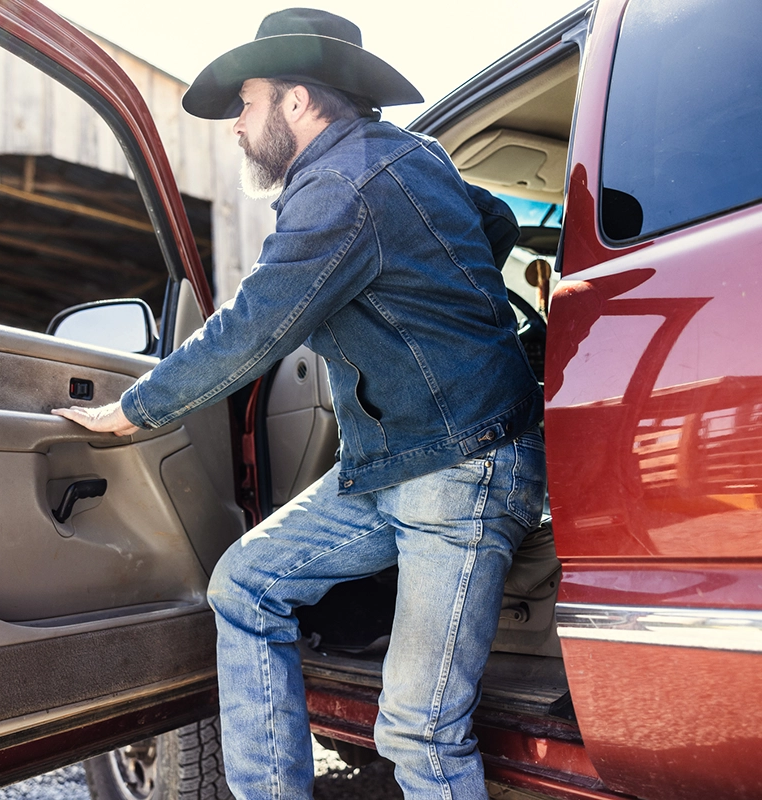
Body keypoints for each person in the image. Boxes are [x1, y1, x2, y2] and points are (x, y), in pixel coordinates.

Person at [53, 9, 545, 799]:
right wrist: (441, 301)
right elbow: (493, 220)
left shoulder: (340, 186)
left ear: (297, 101)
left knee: (418, 731)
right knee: (245, 585)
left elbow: (252, 329)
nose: (236, 125)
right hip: (394, 463)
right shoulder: (412, 155)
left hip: (462, 466)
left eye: (246, 103)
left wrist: (135, 410)